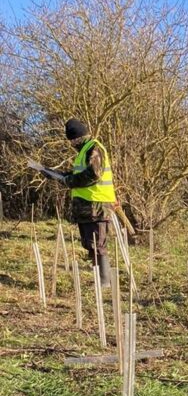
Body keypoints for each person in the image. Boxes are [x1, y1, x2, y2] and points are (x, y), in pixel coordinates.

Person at [62, 118, 117, 287]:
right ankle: (100, 279)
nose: (73, 144)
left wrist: (70, 181)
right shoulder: (84, 151)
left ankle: (104, 281)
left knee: (98, 243)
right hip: (87, 206)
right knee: (90, 243)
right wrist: (63, 176)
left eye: (74, 140)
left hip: (97, 205)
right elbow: (80, 174)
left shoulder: (93, 148)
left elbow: (94, 175)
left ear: (79, 137)